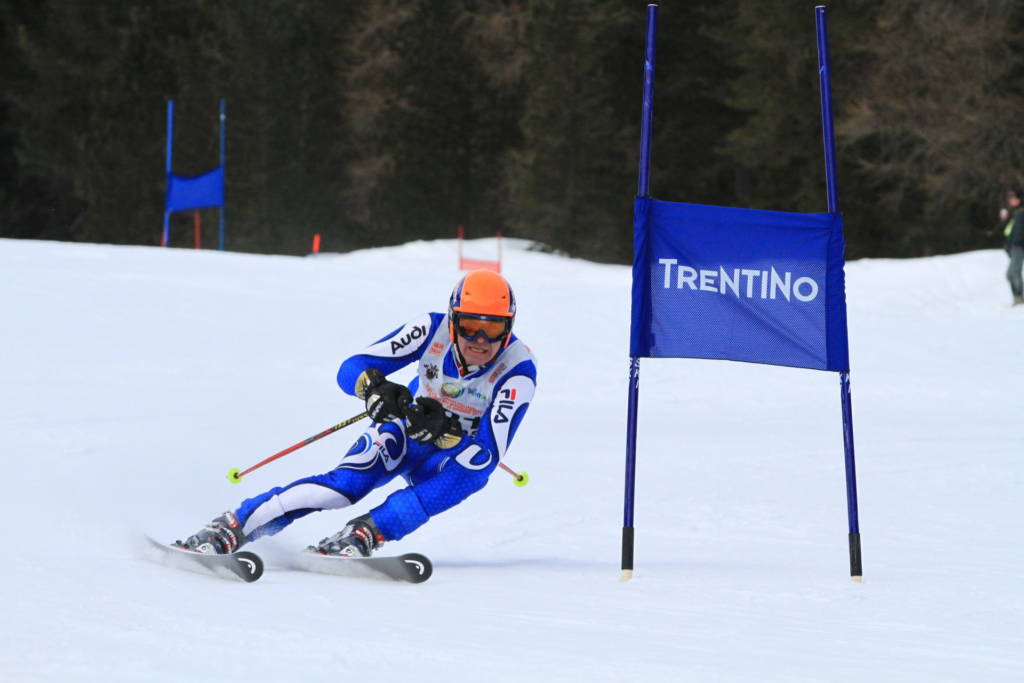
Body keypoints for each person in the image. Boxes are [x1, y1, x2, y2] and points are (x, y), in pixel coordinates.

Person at [178, 269, 537, 557]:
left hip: (448, 456)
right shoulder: (430, 329)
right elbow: (351, 367)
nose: (480, 340)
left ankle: (368, 531)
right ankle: (235, 524)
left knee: (475, 471)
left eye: (493, 329)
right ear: (453, 319)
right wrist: (376, 389)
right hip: (405, 431)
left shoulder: (519, 370)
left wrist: (446, 433)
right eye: (471, 326)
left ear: (509, 328)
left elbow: (489, 452)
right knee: (344, 488)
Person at [1003, 189, 1024, 306]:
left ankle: (1019, 298)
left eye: (1013, 198)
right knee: (1010, 274)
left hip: (1018, 247)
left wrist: (1015, 244)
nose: (1010, 200)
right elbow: (1010, 231)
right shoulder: (1017, 212)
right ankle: (1017, 297)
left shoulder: (1021, 212)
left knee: (1014, 272)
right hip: (1014, 247)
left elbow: (1019, 233)